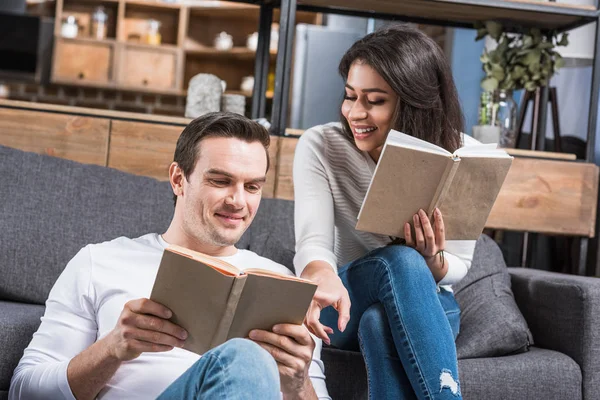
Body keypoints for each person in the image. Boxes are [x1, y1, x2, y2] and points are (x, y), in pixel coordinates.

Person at [9, 112, 330, 400]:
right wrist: (112, 349)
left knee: (249, 361)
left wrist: (298, 385)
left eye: (252, 187)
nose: (237, 200)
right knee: (246, 358)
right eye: (221, 181)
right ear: (179, 179)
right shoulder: (100, 261)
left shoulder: (283, 285)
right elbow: (24, 391)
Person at [293, 24, 477, 400]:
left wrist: (433, 259)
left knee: (380, 322)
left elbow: (459, 264)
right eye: (349, 96)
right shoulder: (321, 145)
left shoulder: (460, 153)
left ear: (410, 102)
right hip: (345, 300)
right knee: (400, 260)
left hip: (429, 302)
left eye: (374, 101)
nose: (355, 113)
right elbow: (313, 241)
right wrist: (320, 275)